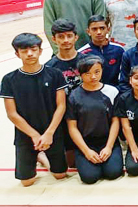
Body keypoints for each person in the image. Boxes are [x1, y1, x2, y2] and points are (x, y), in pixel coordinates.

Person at [2, 33, 68, 186]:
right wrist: (34, 135)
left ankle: (42, 157)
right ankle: (40, 155)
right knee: (27, 182)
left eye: (33, 49)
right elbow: (11, 114)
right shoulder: (9, 80)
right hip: (25, 134)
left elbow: (61, 106)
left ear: (40, 50)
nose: (30, 54)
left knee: (60, 175)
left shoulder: (54, 74)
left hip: (52, 131)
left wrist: (49, 133)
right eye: (24, 51)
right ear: (17, 54)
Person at [66, 55, 123, 184]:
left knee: (113, 173)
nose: (93, 77)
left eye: (97, 72)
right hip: (86, 143)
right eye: (87, 73)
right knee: (89, 177)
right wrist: (86, 151)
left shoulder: (112, 91)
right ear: (80, 74)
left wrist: (109, 147)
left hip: (107, 141)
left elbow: (115, 121)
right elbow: (72, 127)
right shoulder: (73, 96)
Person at [78, 15, 125, 87]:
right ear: (88, 31)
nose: (99, 32)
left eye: (102, 28)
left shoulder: (118, 50)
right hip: (91, 93)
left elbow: (124, 75)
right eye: (94, 29)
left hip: (115, 92)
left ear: (108, 29)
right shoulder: (82, 53)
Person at [46, 19, 88, 94]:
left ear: (76, 37)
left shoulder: (88, 61)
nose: (66, 40)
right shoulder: (49, 68)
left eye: (69, 36)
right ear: (54, 39)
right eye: (61, 37)